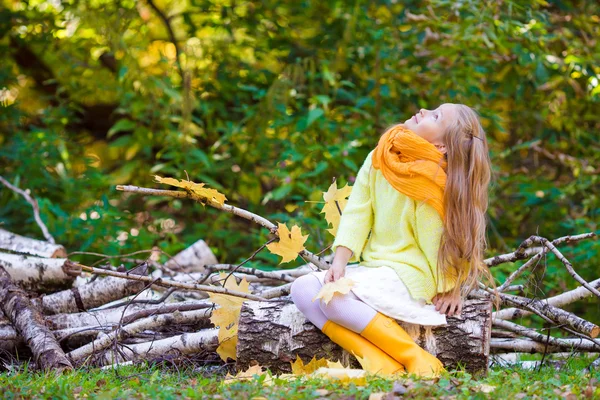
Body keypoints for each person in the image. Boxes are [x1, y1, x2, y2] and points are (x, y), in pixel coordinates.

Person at [290, 103, 497, 378]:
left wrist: (452, 286)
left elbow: (445, 241)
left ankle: (416, 358)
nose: (423, 110)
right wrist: (339, 262)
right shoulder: (380, 157)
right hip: (377, 268)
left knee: (334, 301)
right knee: (302, 290)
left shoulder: (432, 179)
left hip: (414, 275)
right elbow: (357, 212)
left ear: (441, 147)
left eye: (435, 116)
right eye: (432, 108)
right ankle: (379, 362)